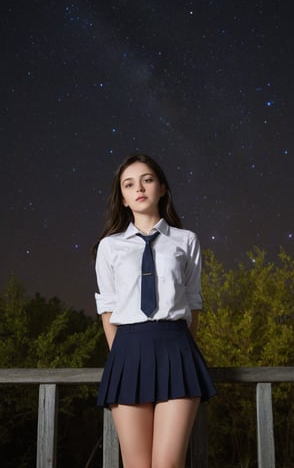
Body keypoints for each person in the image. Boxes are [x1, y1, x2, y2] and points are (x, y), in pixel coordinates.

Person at [93, 154, 216, 468]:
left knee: (168, 464)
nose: (140, 189)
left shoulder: (186, 241)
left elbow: (193, 302)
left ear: (161, 188)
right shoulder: (109, 247)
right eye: (129, 184)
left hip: (176, 348)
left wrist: (181, 351)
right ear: (122, 198)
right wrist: (121, 358)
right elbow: (107, 308)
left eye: (147, 180)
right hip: (128, 351)